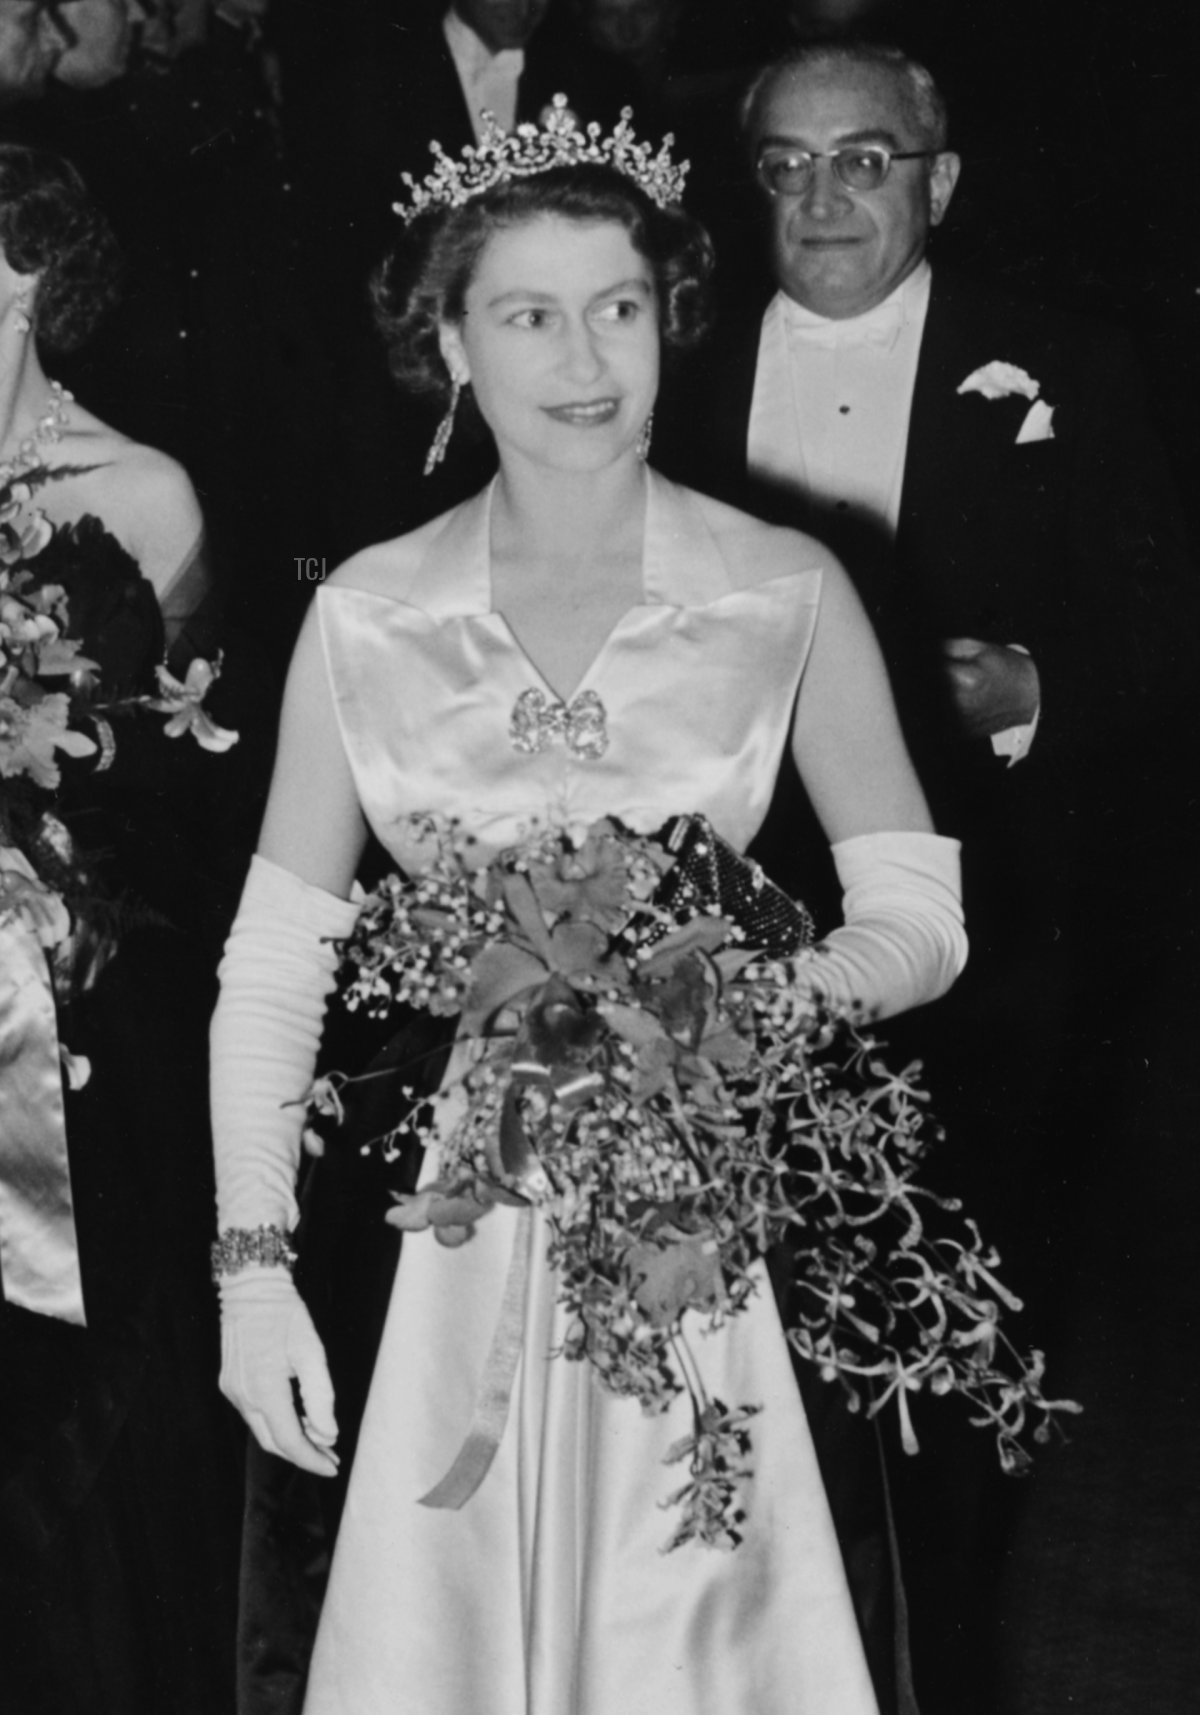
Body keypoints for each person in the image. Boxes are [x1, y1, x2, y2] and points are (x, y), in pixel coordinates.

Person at [210, 100, 968, 1714]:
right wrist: (251, 1266)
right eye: (528, 315)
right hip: (431, 1250)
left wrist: (761, 1007)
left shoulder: (782, 589)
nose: (583, 358)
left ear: (668, 319)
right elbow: (278, 959)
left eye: (618, 307)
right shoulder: (368, 612)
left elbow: (919, 911)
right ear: (452, 342)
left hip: (719, 1236)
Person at [653, 39, 1194, 1708]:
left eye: (863, 161)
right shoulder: (667, 369)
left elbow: (1164, 634)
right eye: (789, 166)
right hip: (729, 947)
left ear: (936, 182)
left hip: (990, 956)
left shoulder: (1072, 365)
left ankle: (933, 1659)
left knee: (952, 1360)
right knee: (727, 1336)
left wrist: (1034, 696)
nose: (823, 198)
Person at [0, 143, 260, 1714]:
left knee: (72, 1412)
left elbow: (187, 778)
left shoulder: (144, 489)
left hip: (71, 1020)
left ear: (33, 268)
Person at [284, 0, 643, 559]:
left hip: (551, 391)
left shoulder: (595, 78)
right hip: (400, 406)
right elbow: (333, 264)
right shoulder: (362, 82)